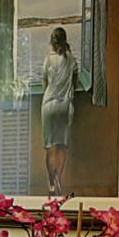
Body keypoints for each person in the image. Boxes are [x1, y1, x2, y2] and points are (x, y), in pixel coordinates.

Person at [38, 26, 80, 192]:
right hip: (65, 105)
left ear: (52, 42)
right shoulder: (72, 59)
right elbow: (75, 82)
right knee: (62, 146)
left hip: (49, 105)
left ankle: (51, 182)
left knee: (50, 146)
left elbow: (44, 82)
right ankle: (59, 178)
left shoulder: (48, 59)